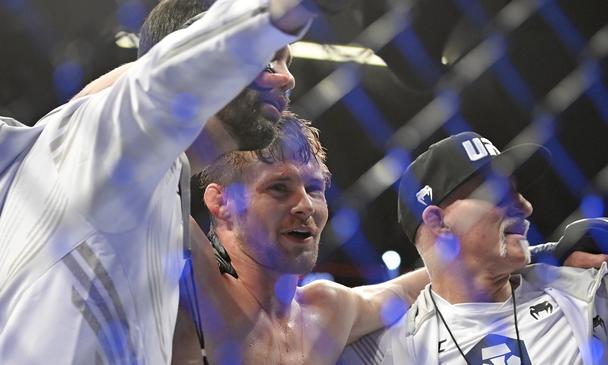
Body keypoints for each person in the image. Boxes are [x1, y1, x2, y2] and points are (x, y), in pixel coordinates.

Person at [0, 0, 348, 363]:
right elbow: (155, 82)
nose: (286, 78)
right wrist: (280, 9)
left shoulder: (154, 183)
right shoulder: (107, 148)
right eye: (267, 60)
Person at [339, 131, 608, 364]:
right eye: (499, 192)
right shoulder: (390, 348)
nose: (525, 206)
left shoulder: (592, 292)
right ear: (438, 222)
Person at [170, 111, 430, 364]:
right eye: (279, 188)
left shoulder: (326, 313)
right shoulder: (192, 286)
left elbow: (404, 290)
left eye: (314, 189)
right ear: (221, 200)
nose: (305, 205)